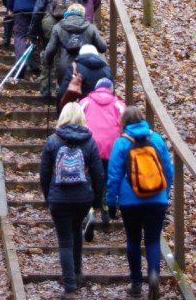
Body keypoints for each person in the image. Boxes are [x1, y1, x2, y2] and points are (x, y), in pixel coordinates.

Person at [106, 107, 175, 299]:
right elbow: (168, 170)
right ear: (143, 120)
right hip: (157, 199)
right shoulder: (157, 139)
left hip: (130, 201)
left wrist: (111, 202)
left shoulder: (121, 143)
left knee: (133, 240)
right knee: (153, 239)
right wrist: (165, 193)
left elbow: (114, 175)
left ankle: (136, 283)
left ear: (124, 123)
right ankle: (154, 274)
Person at [39, 102, 105, 299]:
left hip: (59, 199)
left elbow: (43, 174)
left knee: (65, 241)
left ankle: (70, 288)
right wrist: (97, 202)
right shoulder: (89, 141)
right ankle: (77, 272)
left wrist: (48, 197)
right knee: (76, 230)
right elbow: (98, 174)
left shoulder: (52, 141)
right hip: (82, 198)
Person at [79, 78, 126, 225]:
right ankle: (106, 204)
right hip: (112, 148)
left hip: (89, 146)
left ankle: (90, 209)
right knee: (107, 176)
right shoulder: (118, 104)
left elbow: (76, 120)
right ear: (111, 90)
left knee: (89, 177)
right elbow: (126, 123)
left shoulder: (86, 101)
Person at [41, 4, 106, 98]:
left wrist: (49, 62)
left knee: (64, 96)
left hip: (64, 68)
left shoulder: (58, 27)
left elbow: (50, 51)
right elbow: (102, 47)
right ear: (83, 13)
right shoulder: (90, 27)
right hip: (86, 68)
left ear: (68, 13)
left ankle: (64, 110)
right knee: (85, 96)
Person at [6, 0, 53, 76]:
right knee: (37, 36)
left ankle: (20, 65)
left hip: (21, 8)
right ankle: (35, 64)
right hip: (40, 9)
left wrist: (10, 7)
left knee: (20, 35)